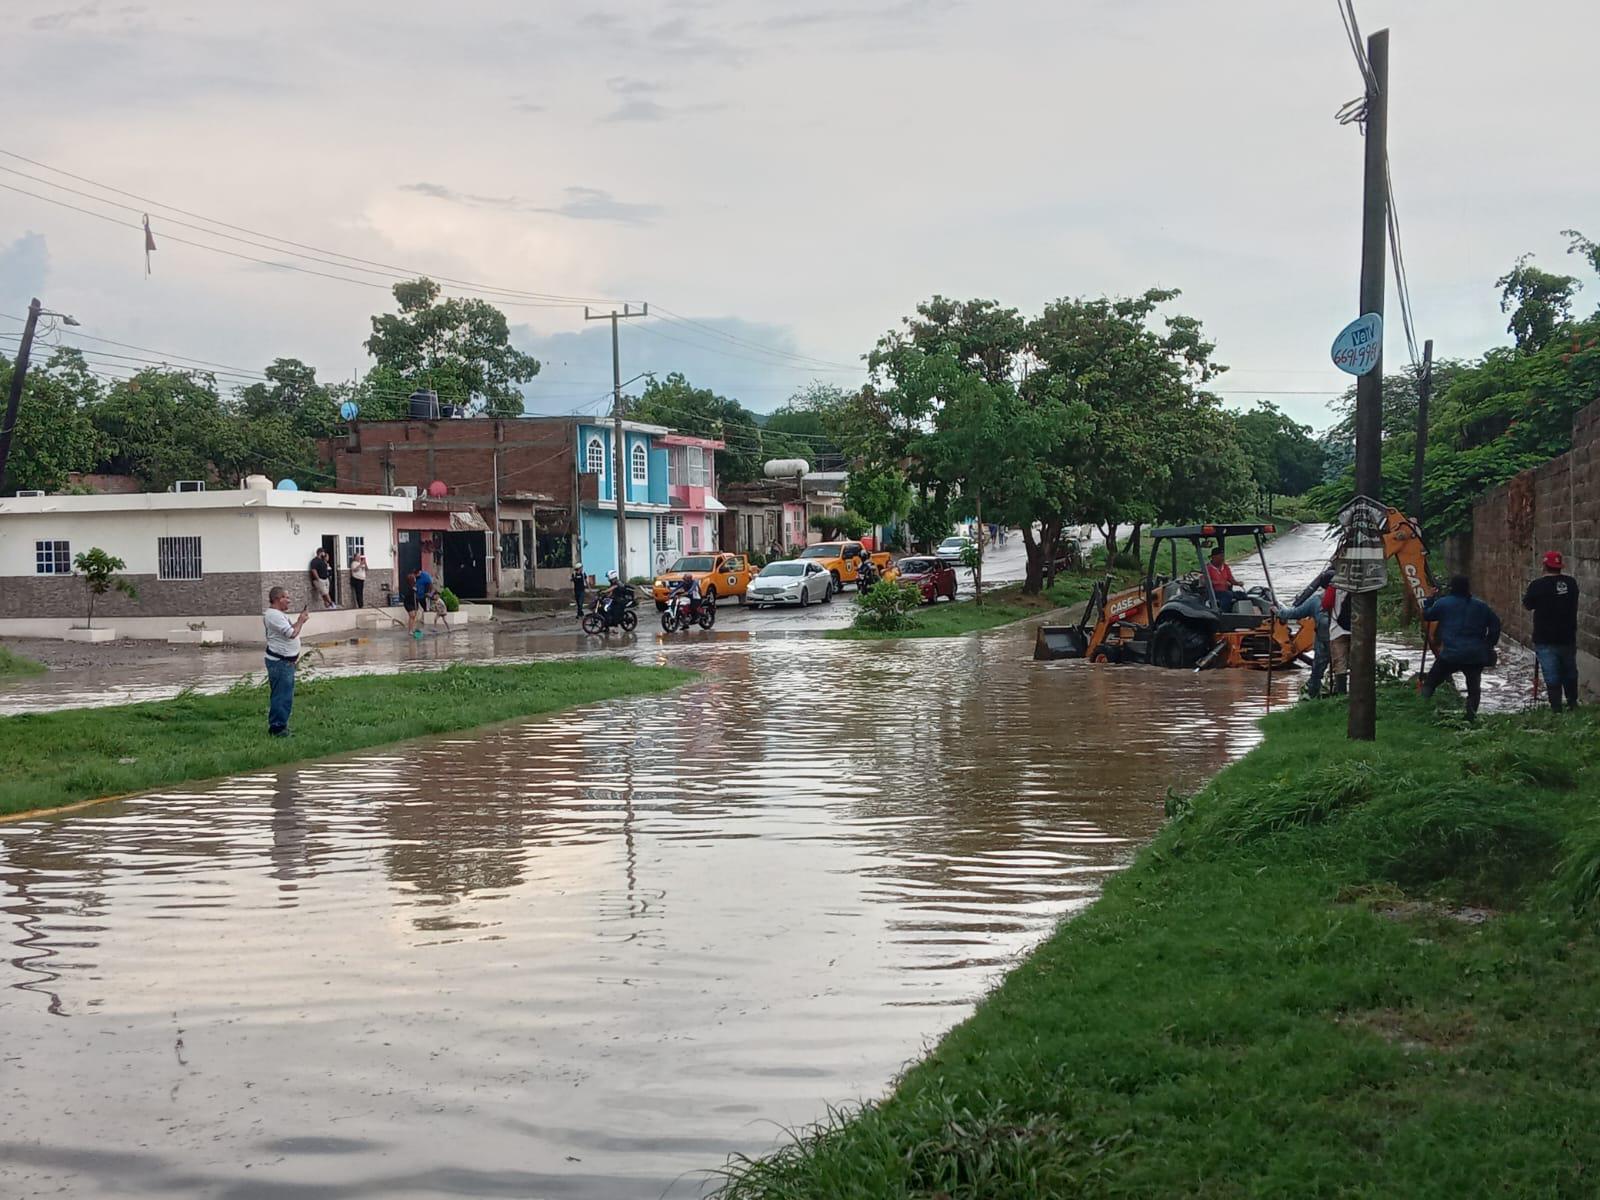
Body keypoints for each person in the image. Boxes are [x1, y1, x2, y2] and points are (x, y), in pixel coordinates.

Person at [1422, 575, 1502, 720]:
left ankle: (1421, 708)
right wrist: (1488, 644)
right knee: (1474, 689)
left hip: (1451, 654)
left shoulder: (1443, 603)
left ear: (1451, 588)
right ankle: (1470, 717)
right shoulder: (1481, 606)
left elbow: (1428, 615)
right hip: (1475, 655)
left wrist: (1429, 599)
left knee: (1431, 681)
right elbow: (1496, 625)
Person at [1523, 550, 1581, 711]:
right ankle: (1572, 703)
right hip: (1567, 636)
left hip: (1544, 638)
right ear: (1560, 566)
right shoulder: (1571, 583)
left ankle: (1556, 708)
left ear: (1544, 565)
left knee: (1552, 674)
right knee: (1570, 671)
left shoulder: (1536, 585)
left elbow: (1528, 605)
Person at [1276, 568, 1335, 697]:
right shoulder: (1346, 597)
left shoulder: (1316, 600)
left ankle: (1313, 695)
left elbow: (1295, 613)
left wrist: (1279, 612)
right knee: (1342, 666)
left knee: (1318, 670)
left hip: (1324, 638)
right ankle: (1340, 693)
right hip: (1342, 637)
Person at [263, 586, 310, 737]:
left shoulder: (278, 615)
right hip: (280, 662)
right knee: (281, 696)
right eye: (286, 597)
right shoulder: (274, 616)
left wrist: (299, 622)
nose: (289, 601)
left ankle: (281, 726)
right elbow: (292, 633)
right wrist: (300, 621)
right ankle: (277, 729)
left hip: (285, 663)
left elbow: (290, 631)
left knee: (285, 696)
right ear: (277, 599)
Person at [1324, 582, 1352, 695]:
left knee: (1340, 663)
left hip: (1337, 630)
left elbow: (1326, 604)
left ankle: (1341, 693)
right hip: (1357, 629)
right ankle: (1357, 691)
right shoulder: (1357, 585)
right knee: (1358, 661)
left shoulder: (1333, 586)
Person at [1206, 546, 1248, 612]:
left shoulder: (1225, 567)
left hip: (1225, 591)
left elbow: (1230, 578)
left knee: (1243, 595)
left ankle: (1243, 612)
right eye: (1220, 556)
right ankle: (1223, 612)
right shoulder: (1208, 568)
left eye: (1223, 556)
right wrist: (1221, 583)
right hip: (1214, 592)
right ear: (1214, 557)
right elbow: (1205, 582)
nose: (1222, 558)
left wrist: (1237, 583)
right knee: (1228, 595)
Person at [402, 570, 420, 634]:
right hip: (408, 603)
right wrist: (413, 590)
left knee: (414, 616)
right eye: (414, 578)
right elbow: (407, 595)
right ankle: (410, 630)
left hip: (414, 602)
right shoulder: (408, 587)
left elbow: (416, 594)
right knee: (412, 615)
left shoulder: (415, 585)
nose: (415, 579)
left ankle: (413, 629)